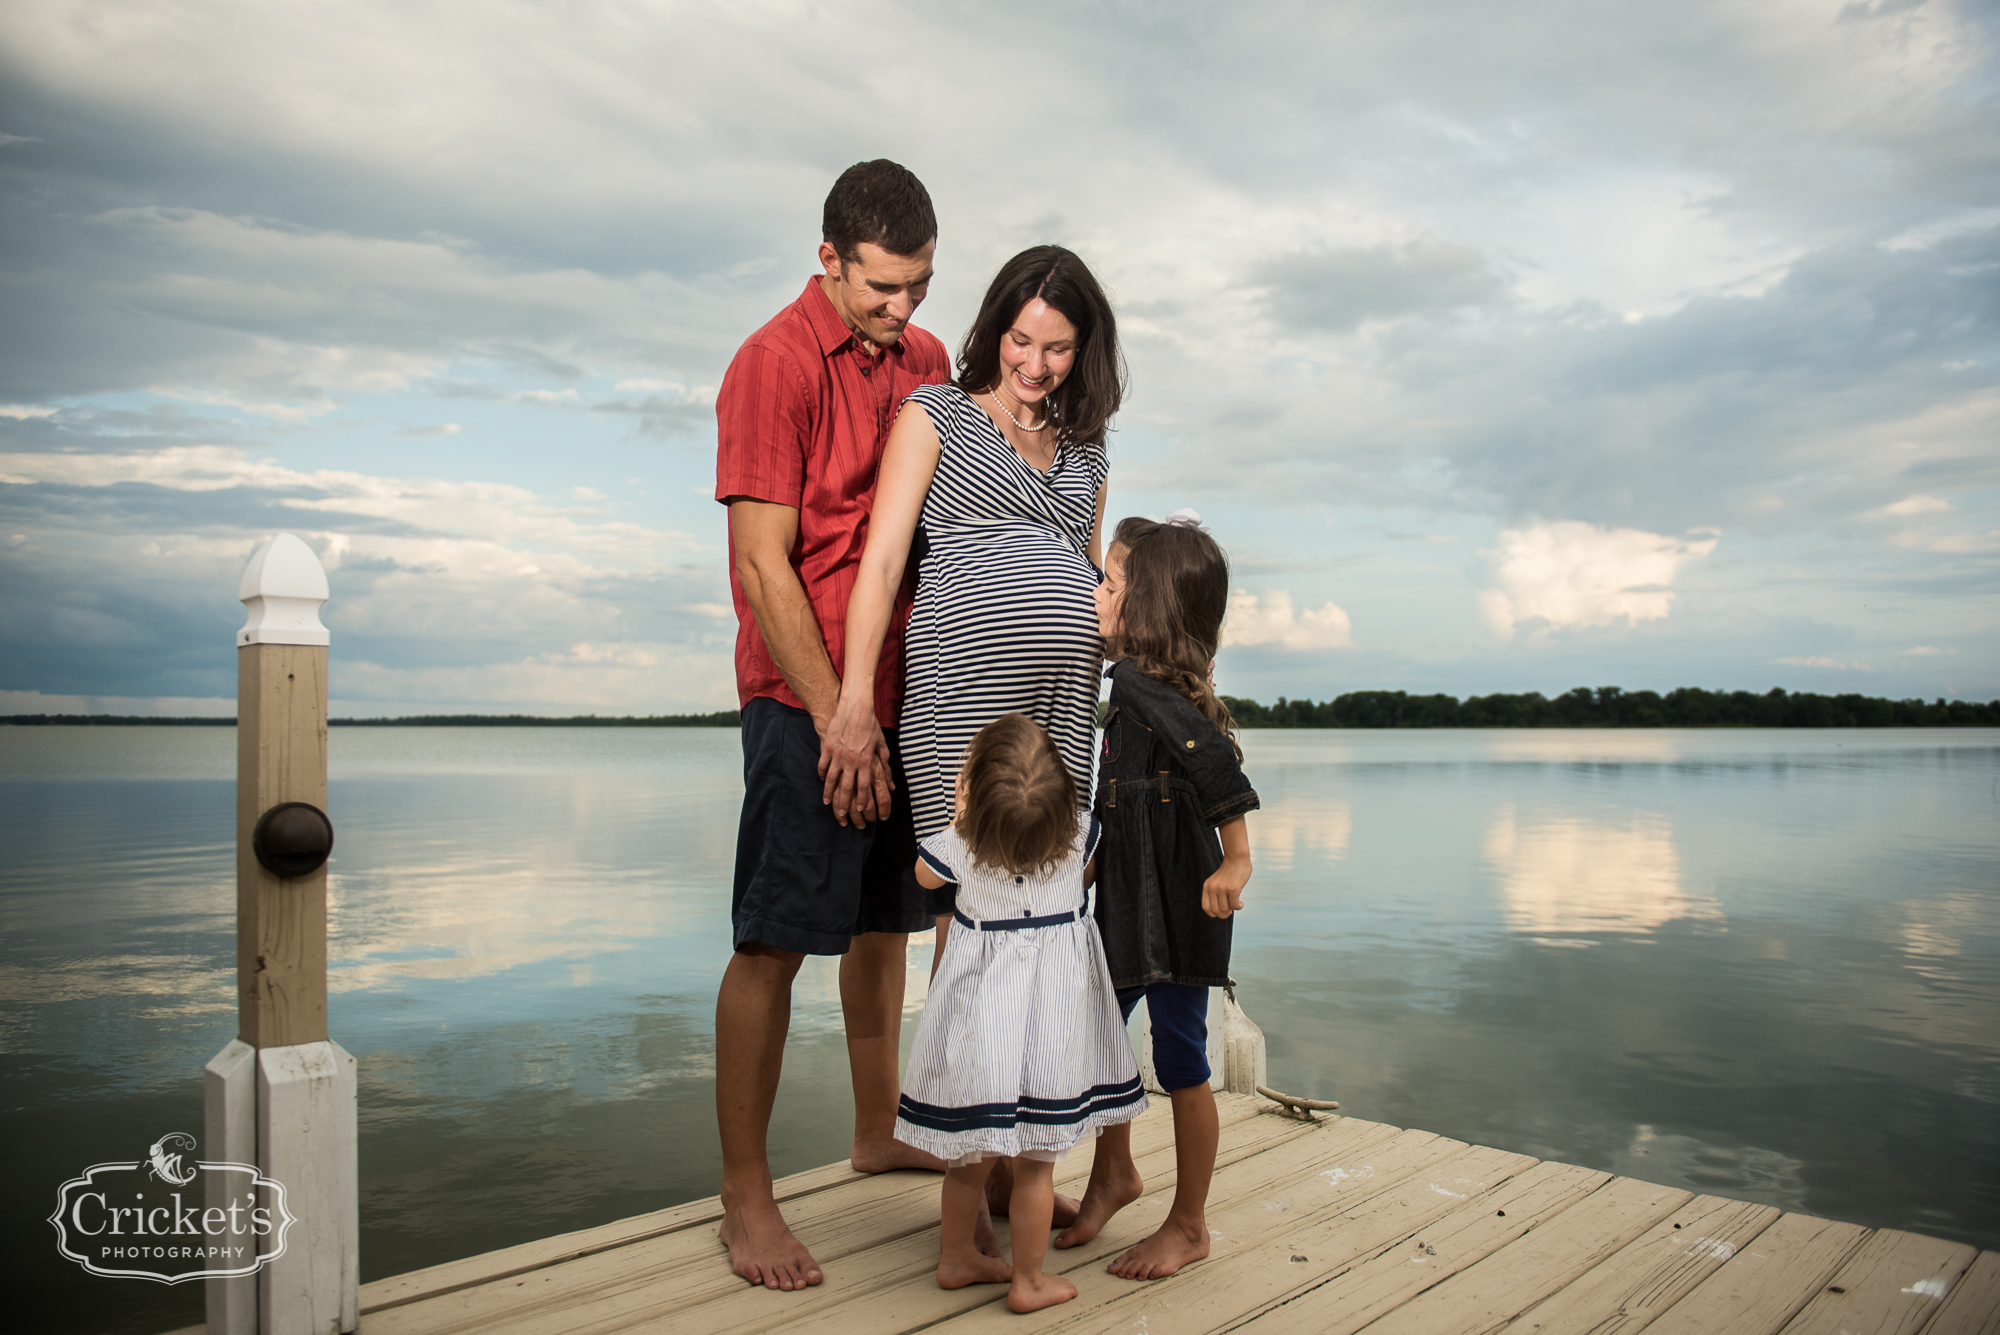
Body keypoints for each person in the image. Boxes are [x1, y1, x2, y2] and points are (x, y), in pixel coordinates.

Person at [821, 243, 1125, 1227]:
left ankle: (1033, 1156)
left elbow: (1086, 578)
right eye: (1021, 340)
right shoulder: (936, 415)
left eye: (1057, 349)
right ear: (994, 326)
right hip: (956, 713)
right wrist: (855, 702)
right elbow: (878, 567)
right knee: (972, 938)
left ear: (1086, 352)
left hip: (1062, 720)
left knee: (1051, 941)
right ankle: (978, 1164)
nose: (1034, 365)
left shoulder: (1087, 455)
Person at [711, 159, 949, 1292]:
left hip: (903, 690)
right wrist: (833, 715)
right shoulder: (768, 363)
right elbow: (763, 567)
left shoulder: (929, 363)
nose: (901, 311)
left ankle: (875, 1127)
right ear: (827, 259)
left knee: (883, 922)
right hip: (796, 691)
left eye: (917, 287)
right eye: (881, 289)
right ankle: (745, 1196)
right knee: (771, 936)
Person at [1054, 513, 1259, 1280]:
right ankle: (1115, 1172)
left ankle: (1190, 1223)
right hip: (1126, 910)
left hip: (1177, 916)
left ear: (1143, 611)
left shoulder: (1148, 693)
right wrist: (1094, 861)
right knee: (1104, 1042)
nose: (1096, 592)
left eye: (1108, 583)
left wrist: (1236, 861)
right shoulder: (1127, 692)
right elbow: (1125, 798)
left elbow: (1218, 775)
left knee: (1181, 1062)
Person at [895, 712, 1148, 1313]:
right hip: (1050, 1035)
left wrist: (961, 820)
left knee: (967, 1164)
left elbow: (921, 872)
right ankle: (1030, 1281)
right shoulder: (1082, 838)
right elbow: (1084, 873)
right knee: (1036, 1170)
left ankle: (957, 1257)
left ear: (972, 793)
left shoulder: (959, 846)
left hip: (983, 1033)